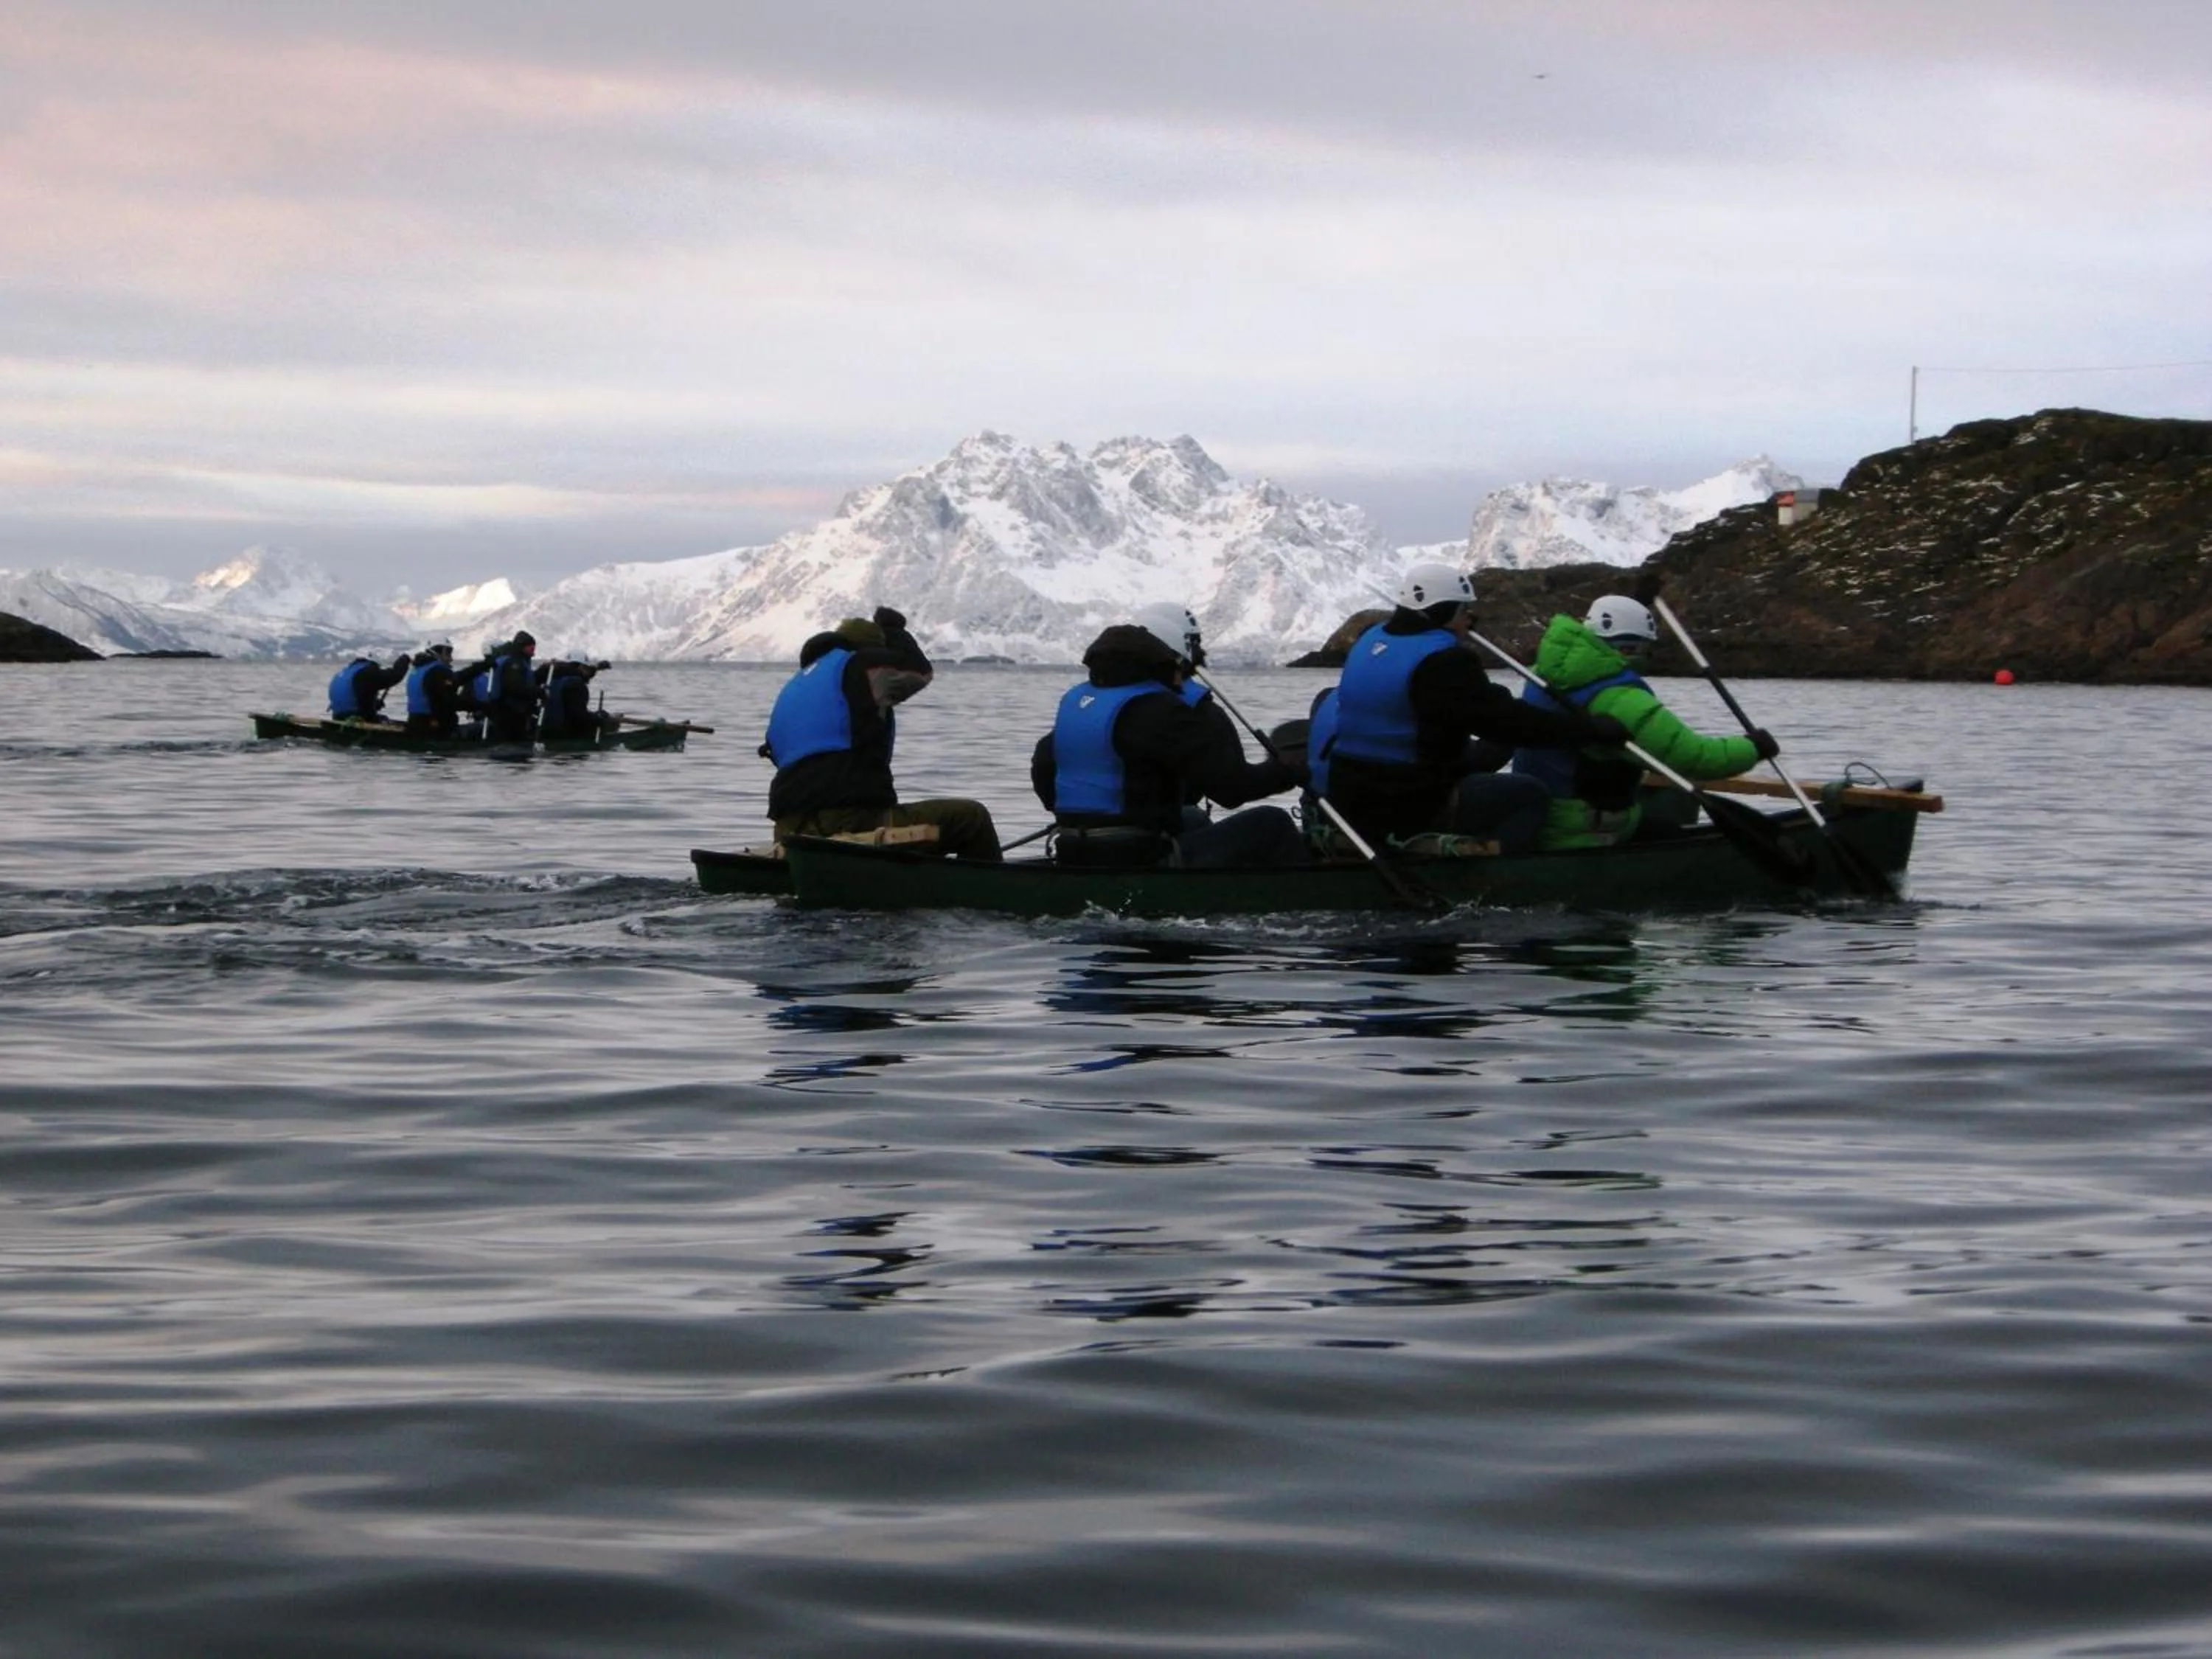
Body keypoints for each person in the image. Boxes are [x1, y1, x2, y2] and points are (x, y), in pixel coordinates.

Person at [1319, 561, 1629, 855]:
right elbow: (1506, 722)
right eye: (1465, 610)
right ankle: (1500, 883)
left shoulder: (1370, 639)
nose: (1470, 620)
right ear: (1444, 611)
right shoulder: (1443, 661)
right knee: (1528, 794)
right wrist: (1589, 730)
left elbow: (1474, 712)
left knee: (1484, 753)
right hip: (1407, 800)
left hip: (1348, 791)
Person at [1030, 620, 1310, 869]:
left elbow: (1042, 769)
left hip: (1071, 849)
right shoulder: (1160, 710)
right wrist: (1288, 771)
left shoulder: (1078, 704)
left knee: (1192, 818)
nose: (1182, 678)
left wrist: (1084, 820)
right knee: (1272, 823)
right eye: (1178, 669)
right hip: (1139, 858)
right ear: (1159, 668)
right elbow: (1232, 791)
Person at [1512, 594, 1776, 849]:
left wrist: (1636, 604)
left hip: (1544, 820)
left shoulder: (1543, 674)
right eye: (1645, 647)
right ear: (1630, 649)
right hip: (1584, 832)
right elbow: (1696, 758)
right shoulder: (1619, 699)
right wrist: (1755, 748)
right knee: (1672, 835)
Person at [762, 606, 1001, 860]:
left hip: (788, 826)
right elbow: (919, 671)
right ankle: (994, 894)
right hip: (849, 818)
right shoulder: (860, 664)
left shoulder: (796, 686)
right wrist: (895, 631)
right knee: (972, 819)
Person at [402, 641, 491, 737]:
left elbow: (456, 679)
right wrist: (484, 706)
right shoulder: (438, 671)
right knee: (489, 729)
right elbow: (452, 702)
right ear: (440, 652)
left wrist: (482, 666)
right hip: (438, 730)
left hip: (415, 724)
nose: (451, 658)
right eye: (448, 652)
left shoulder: (418, 670)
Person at [481, 630, 543, 743]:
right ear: (523, 646)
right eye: (531, 648)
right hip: (510, 713)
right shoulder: (514, 663)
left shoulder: (516, 661)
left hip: (509, 711)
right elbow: (514, 687)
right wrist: (539, 692)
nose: (533, 653)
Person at [539, 656, 616, 742]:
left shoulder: (552, 679)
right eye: (587, 668)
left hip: (546, 729)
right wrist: (599, 718)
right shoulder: (575, 684)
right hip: (564, 733)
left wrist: (598, 667)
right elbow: (579, 718)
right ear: (581, 667)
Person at [327, 651, 411, 722]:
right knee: (384, 719)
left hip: (338, 716)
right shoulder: (367, 672)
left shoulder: (347, 671)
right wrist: (403, 661)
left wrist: (375, 704)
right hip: (355, 718)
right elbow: (394, 676)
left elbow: (360, 692)